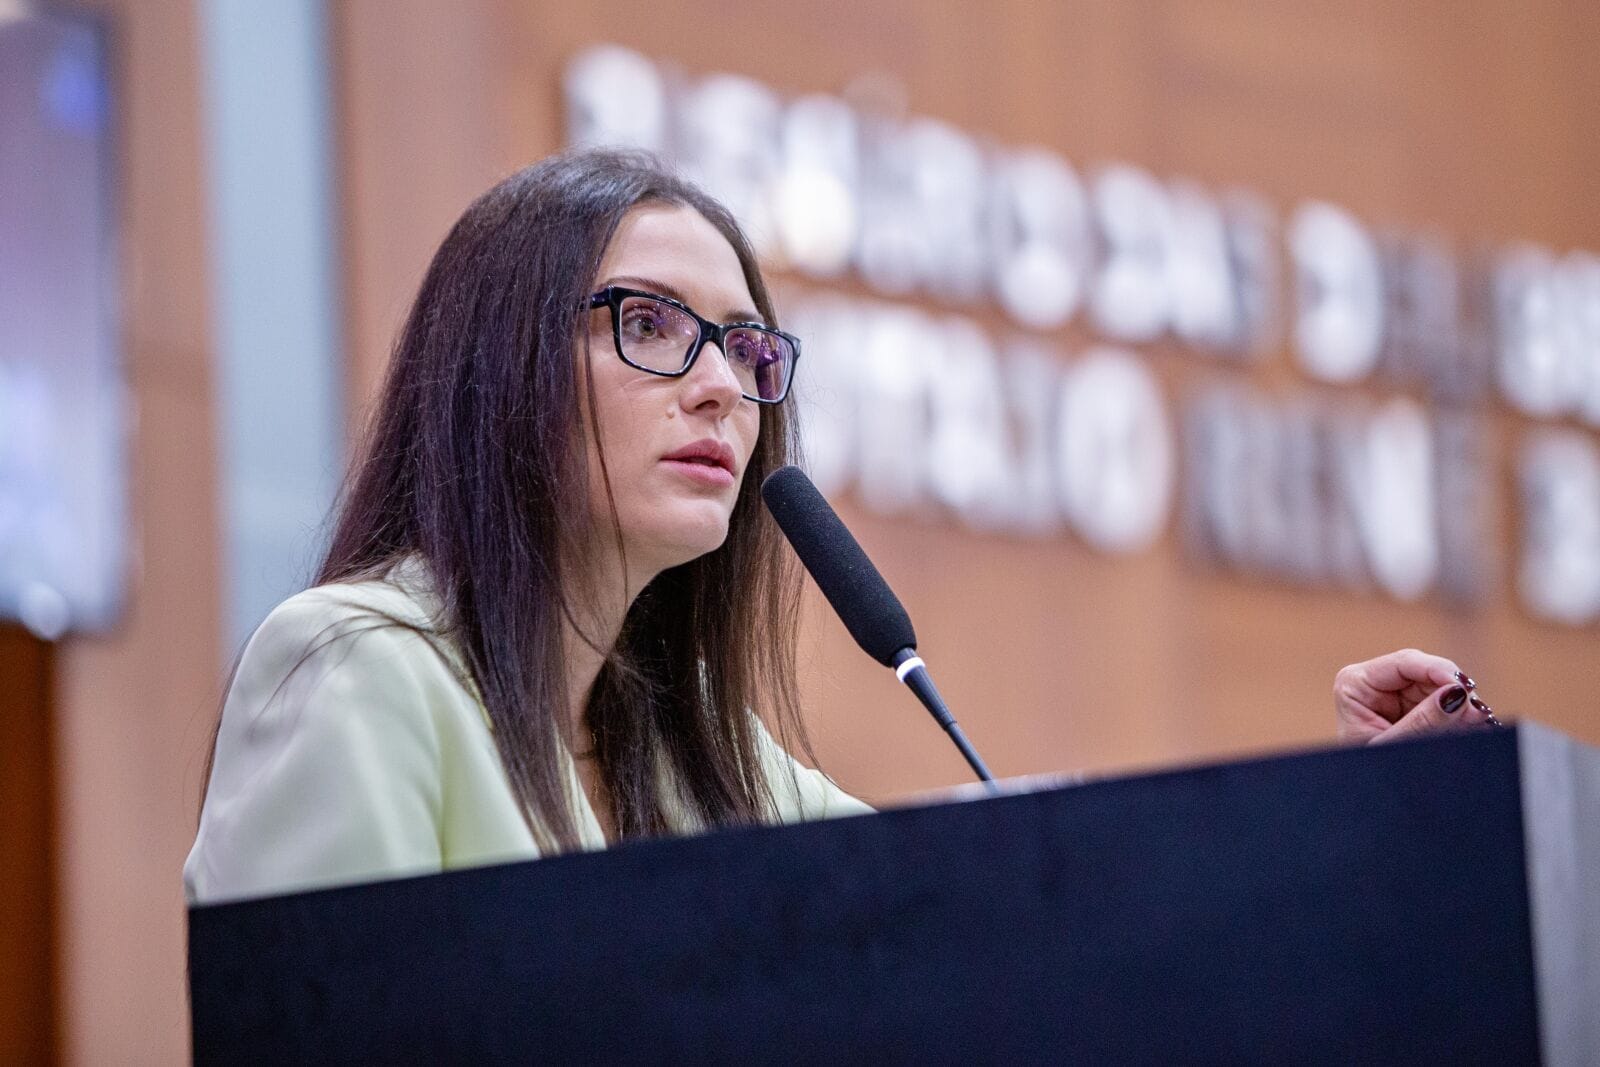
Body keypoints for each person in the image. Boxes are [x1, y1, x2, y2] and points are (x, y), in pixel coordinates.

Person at [183, 148, 1499, 906]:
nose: (717, 382)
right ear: (499, 361)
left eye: (743, 345)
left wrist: (1347, 811)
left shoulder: (698, 753)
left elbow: (1008, 892)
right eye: (650, 324)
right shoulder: (355, 668)